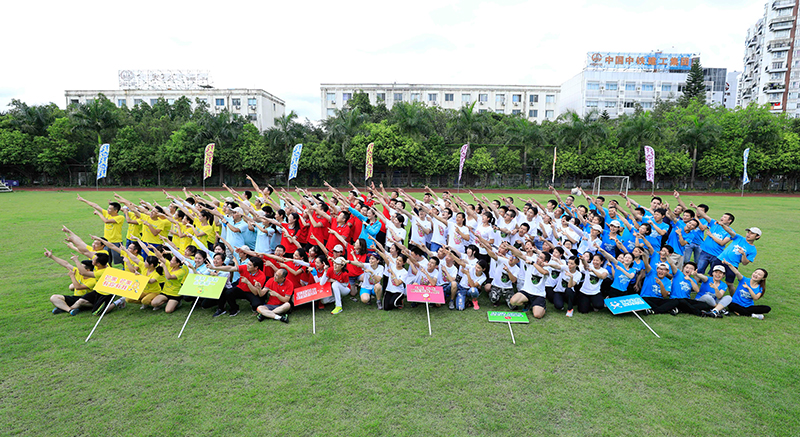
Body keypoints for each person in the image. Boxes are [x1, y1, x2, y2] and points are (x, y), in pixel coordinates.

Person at [705, 261, 770, 319]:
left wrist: (748, 288)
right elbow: (736, 272)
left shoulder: (760, 287)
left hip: (748, 306)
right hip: (735, 304)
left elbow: (755, 298)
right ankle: (751, 315)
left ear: (763, 278)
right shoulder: (744, 279)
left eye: (759, 275)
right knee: (731, 305)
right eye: (755, 272)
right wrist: (729, 264)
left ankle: (741, 312)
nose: (756, 275)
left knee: (767, 308)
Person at [44, 249, 97, 315]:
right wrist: (52, 256)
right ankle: (69, 310)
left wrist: (72, 276)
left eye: (81, 267)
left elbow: (78, 287)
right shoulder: (79, 272)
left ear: (88, 270)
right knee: (54, 297)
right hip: (75, 297)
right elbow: (66, 264)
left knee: (80, 301)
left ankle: (63, 308)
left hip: (85, 299)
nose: (79, 268)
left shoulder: (93, 280)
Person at [77, 195, 125, 265]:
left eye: (110, 209)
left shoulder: (120, 217)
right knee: (106, 261)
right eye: (108, 208)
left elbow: (106, 221)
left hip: (115, 242)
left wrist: (98, 213)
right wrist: (83, 200)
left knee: (121, 260)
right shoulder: (107, 214)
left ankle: (126, 269)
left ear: (116, 211)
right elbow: (96, 205)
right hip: (105, 242)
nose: (108, 210)